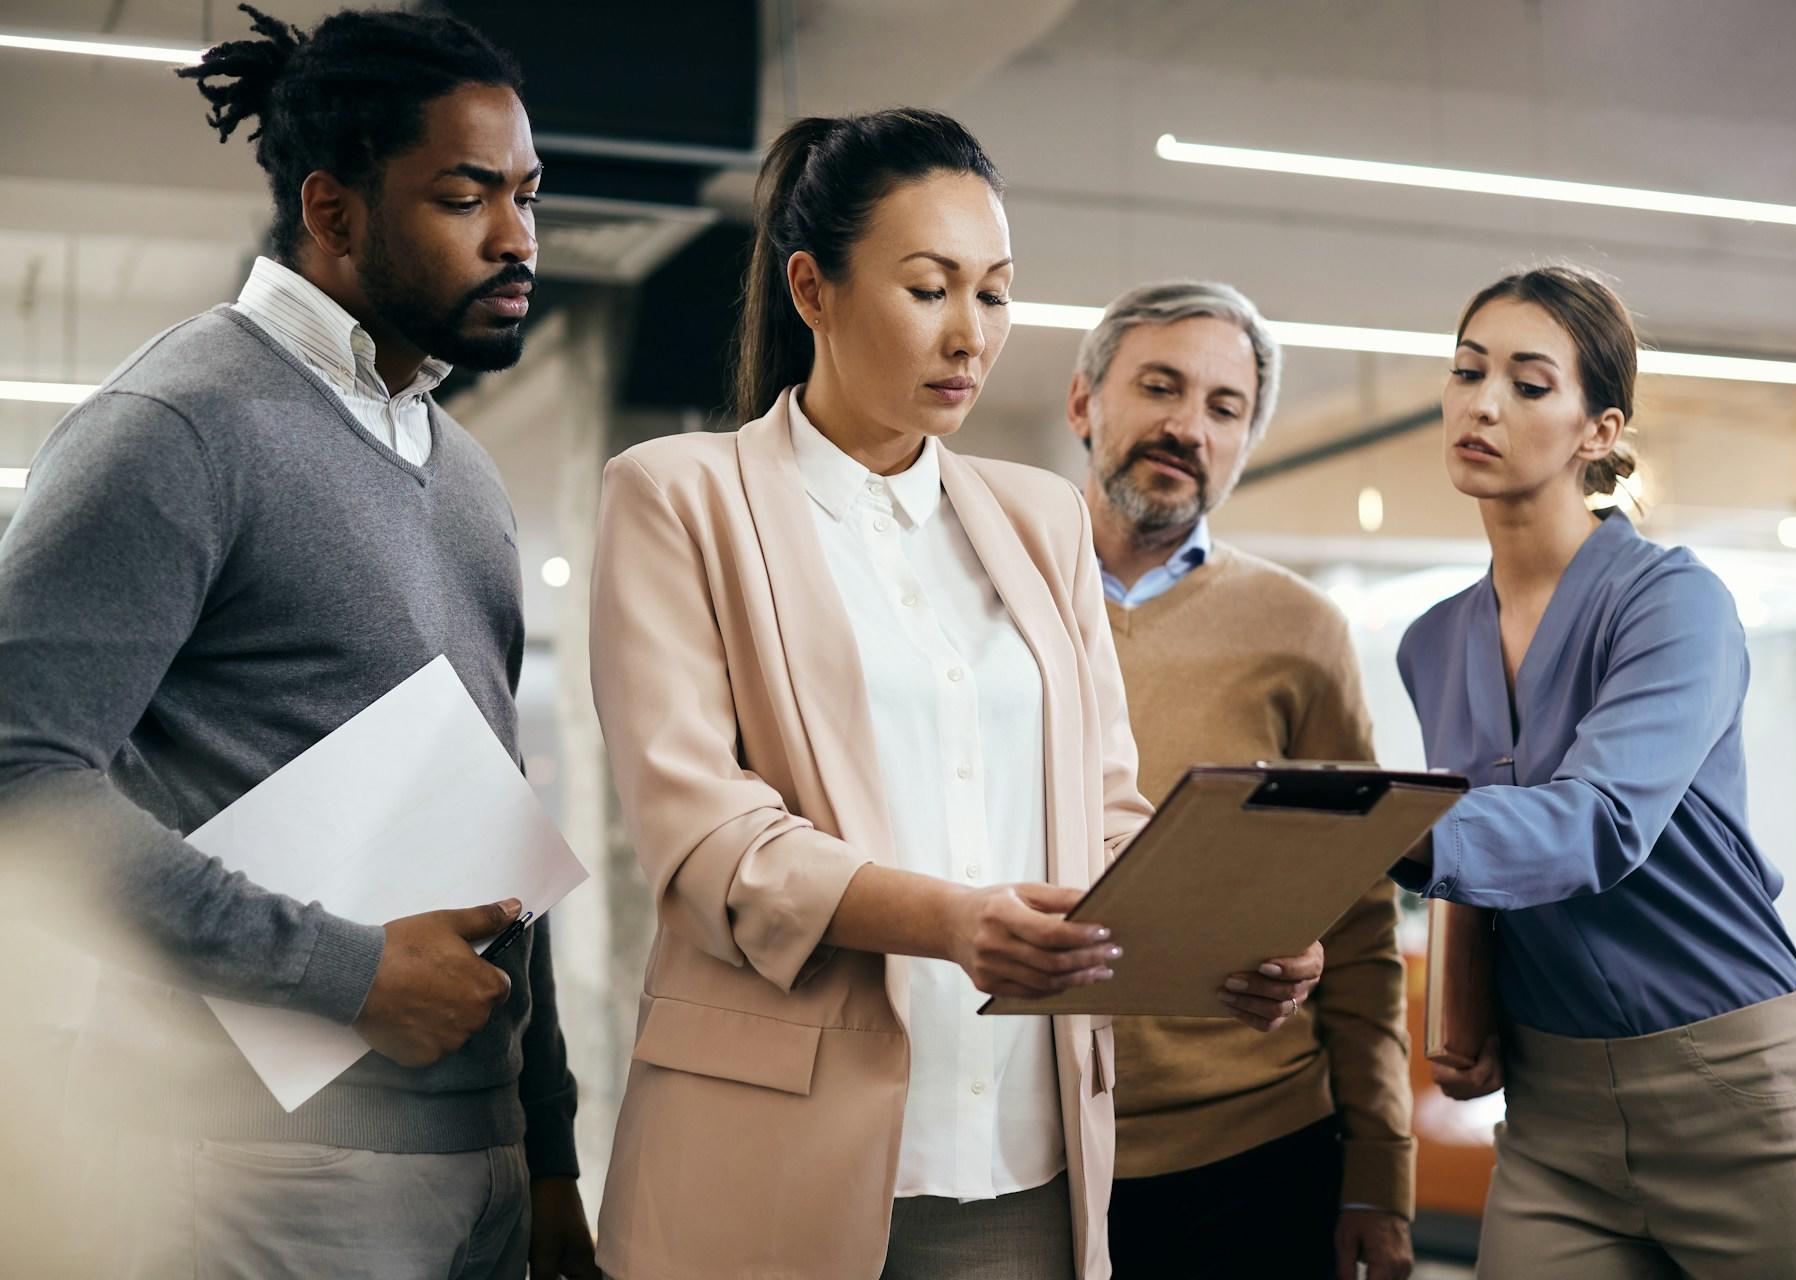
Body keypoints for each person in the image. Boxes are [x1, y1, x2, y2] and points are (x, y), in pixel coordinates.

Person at [587, 109, 1323, 1280]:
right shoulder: (682, 497)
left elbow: (1104, 808)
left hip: (1022, 1154)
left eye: (994, 293)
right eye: (929, 288)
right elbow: (703, 833)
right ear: (812, 291)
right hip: (778, 1143)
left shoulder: (1038, 519)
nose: (969, 336)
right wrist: (947, 921)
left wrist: (1218, 929)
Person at [0, 7, 596, 1277]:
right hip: (266, 1169)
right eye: (466, 195)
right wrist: (347, 969)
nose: (519, 238)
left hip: (479, 1160)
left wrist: (546, 1146)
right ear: (332, 212)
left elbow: (494, 832)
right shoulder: (182, 422)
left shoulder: (466, 472)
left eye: (528, 195)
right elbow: (19, 775)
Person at [1393, 264, 1796, 1279]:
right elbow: (1471, 839)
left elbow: (1599, 821)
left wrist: (1359, 832)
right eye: (1466, 370)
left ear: (1599, 430)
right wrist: (1462, 1004)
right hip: (1554, 1118)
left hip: (1746, 1099)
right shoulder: (1432, 640)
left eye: (1530, 383)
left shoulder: (1674, 603)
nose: (1482, 401)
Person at [1064, 281, 1414, 1280]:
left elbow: (1356, 916)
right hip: (1024, 1139)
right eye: (1159, 387)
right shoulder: (998, 597)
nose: (1187, 426)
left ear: (1248, 439)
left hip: (1254, 1154)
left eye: (1225, 407)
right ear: (1084, 401)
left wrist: (1380, 1169)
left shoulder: (1302, 629)